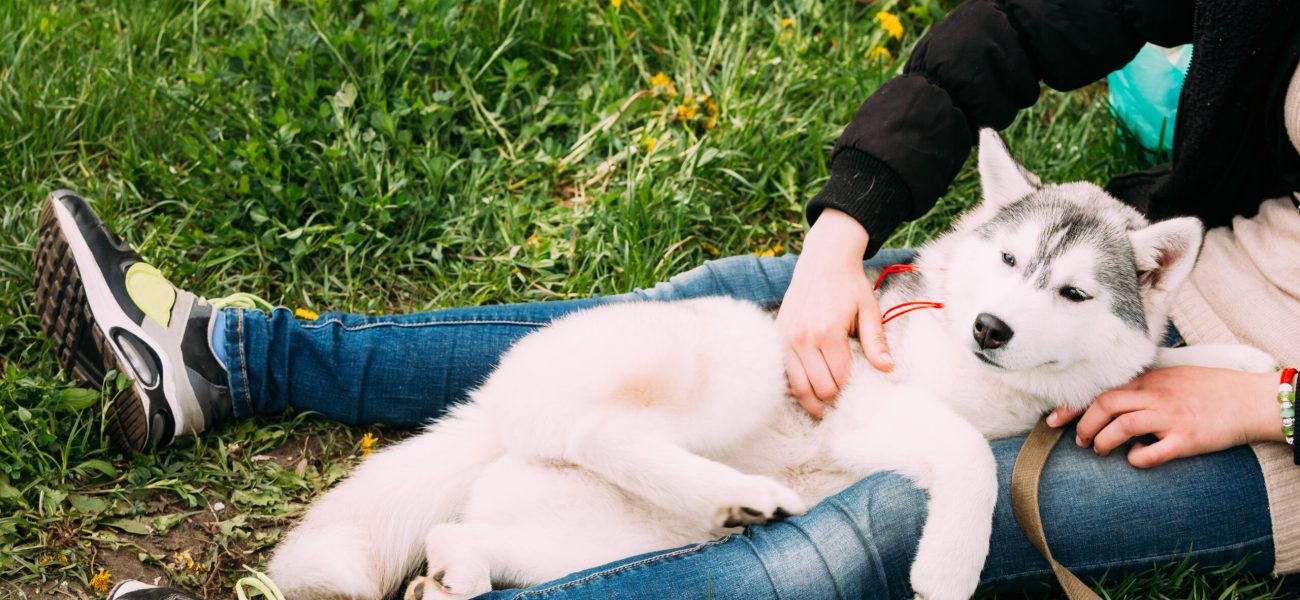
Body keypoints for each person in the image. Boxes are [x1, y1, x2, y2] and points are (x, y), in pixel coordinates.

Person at [45, 0, 1300, 598]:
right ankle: (222, 356)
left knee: (861, 528)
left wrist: (1275, 401)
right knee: (717, 313)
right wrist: (839, 235)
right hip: (1120, 289)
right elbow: (1017, 28)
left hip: (1256, 428)